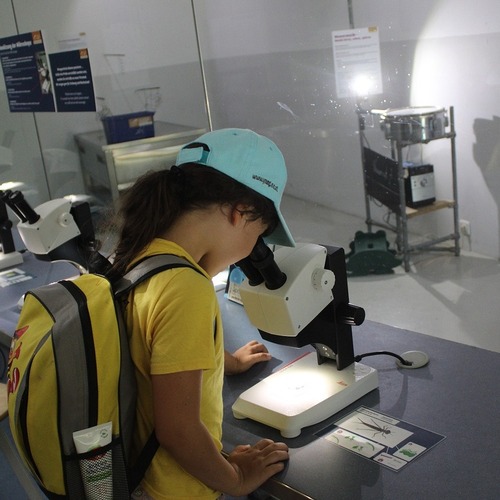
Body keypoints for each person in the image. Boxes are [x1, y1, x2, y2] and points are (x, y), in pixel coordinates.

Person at [108, 128, 294, 499]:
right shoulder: (186, 286)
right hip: (175, 489)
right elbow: (179, 431)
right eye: (259, 235)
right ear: (240, 213)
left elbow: (152, 345)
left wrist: (221, 361)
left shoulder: (142, 255)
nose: (253, 250)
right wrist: (235, 478)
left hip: (136, 476)